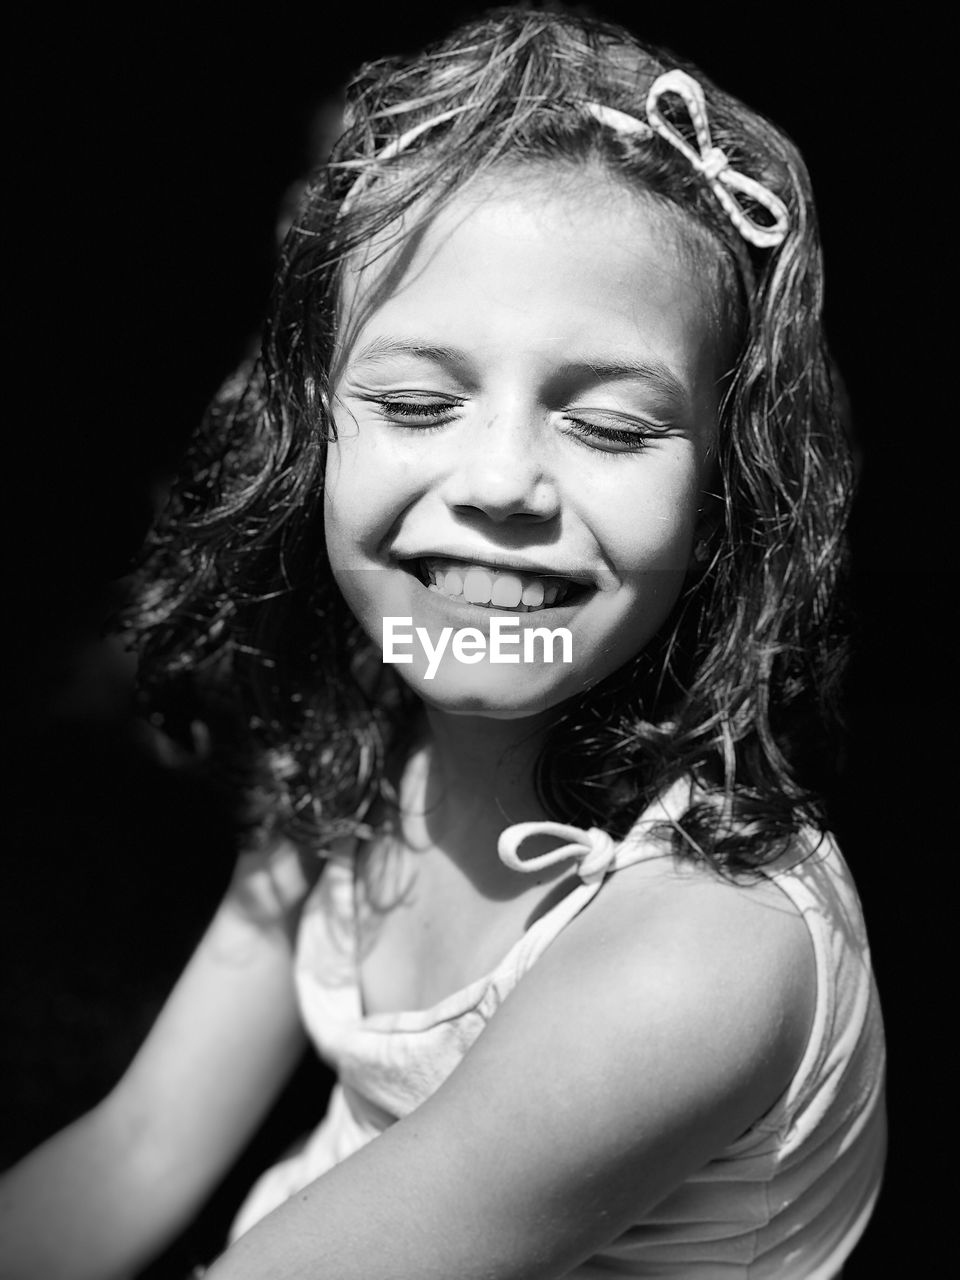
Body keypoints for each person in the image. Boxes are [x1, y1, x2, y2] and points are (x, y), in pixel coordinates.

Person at [0, 5, 886, 1277]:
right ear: (314, 440)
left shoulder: (698, 950)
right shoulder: (365, 740)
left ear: (723, 504)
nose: (503, 483)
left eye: (617, 428)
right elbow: (140, 1145)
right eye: (421, 400)